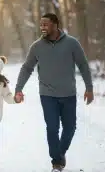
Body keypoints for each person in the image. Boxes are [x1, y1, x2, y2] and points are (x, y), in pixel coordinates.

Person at [14, 13, 94, 172]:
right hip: (47, 95)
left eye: (46, 24)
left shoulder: (72, 43)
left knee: (70, 128)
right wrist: (18, 89)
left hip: (69, 94)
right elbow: (27, 68)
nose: (42, 27)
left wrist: (89, 88)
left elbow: (83, 65)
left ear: (56, 25)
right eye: (41, 24)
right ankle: (56, 163)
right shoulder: (36, 46)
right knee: (52, 128)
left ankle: (59, 154)